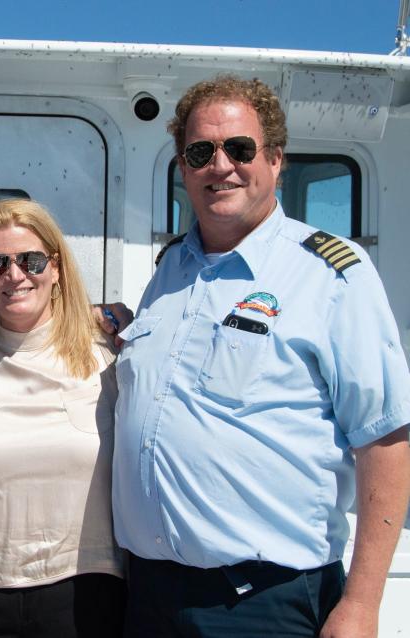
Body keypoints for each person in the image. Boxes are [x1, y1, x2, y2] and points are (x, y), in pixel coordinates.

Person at [113, 74, 410, 637]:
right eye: (201, 152)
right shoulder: (170, 270)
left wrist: (362, 603)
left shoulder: (329, 273)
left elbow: (385, 439)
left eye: (239, 148)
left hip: (260, 603)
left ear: (275, 160)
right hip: (149, 596)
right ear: (183, 167)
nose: (220, 165)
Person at [0, 199, 126, 638]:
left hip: (87, 596)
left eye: (31, 260)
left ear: (56, 268)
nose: (14, 275)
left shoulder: (108, 363)